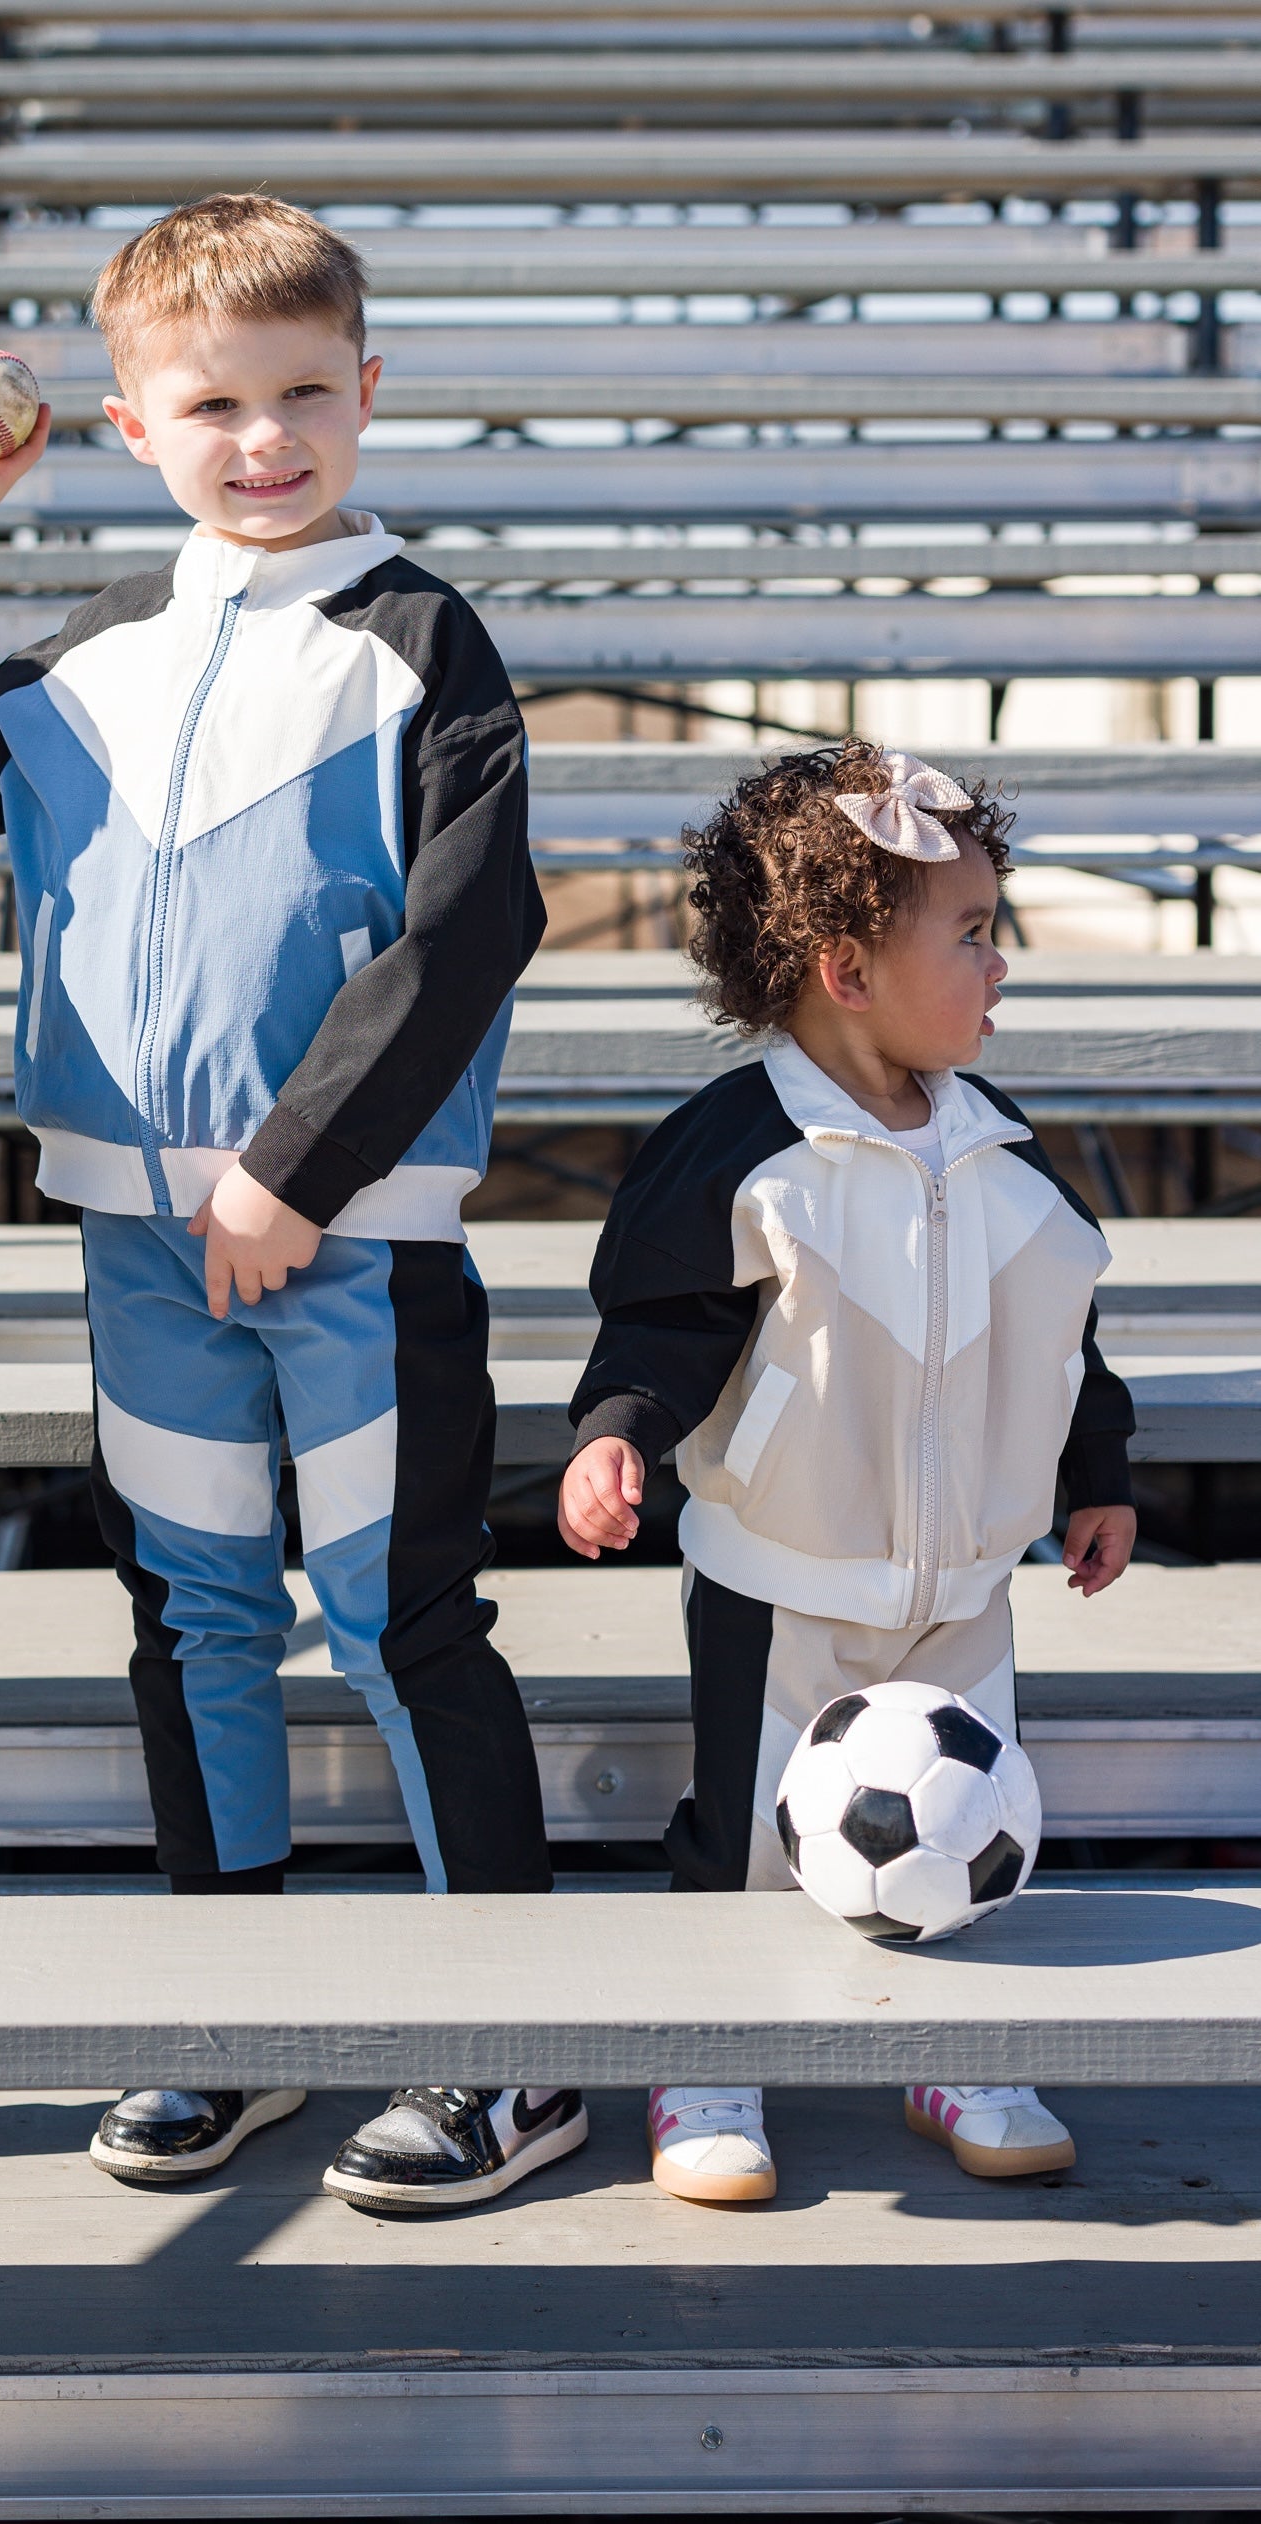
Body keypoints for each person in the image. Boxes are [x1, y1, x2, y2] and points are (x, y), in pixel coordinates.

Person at [0, 194, 582, 2214]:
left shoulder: (421, 635)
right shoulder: (98, 649)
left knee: (392, 1617)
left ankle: (509, 2058)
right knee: (194, 1616)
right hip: (135, 1237)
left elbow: (471, 926)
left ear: (367, 395)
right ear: (131, 424)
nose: (260, 439)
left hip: (351, 1235)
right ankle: (236, 2020)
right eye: (212, 405)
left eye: (301, 397)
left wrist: (294, 1167)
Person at [558, 741, 1138, 2204]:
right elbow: (659, 1330)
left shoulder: (1008, 1159)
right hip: (784, 1586)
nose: (999, 966)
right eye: (971, 933)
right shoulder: (733, 1158)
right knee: (748, 1836)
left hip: (964, 1594)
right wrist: (613, 1433)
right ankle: (706, 2060)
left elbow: (1065, 1337)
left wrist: (1095, 1474)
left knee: (952, 1822)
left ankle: (951, 2051)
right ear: (846, 968)